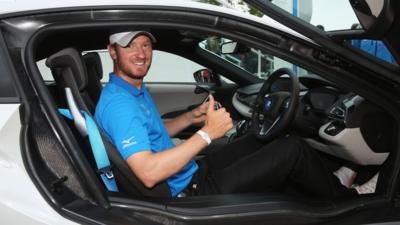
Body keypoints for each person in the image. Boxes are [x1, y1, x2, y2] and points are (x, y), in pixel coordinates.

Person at [95, 30, 378, 198]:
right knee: (291, 148)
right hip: (189, 193)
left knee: (262, 138)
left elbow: (152, 132)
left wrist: (192, 117)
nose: (141, 53)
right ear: (112, 51)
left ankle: (330, 184)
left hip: (190, 172)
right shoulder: (120, 105)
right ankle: (349, 198)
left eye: (145, 45)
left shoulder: (128, 91)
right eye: (129, 45)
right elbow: (147, 173)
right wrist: (208, 133)